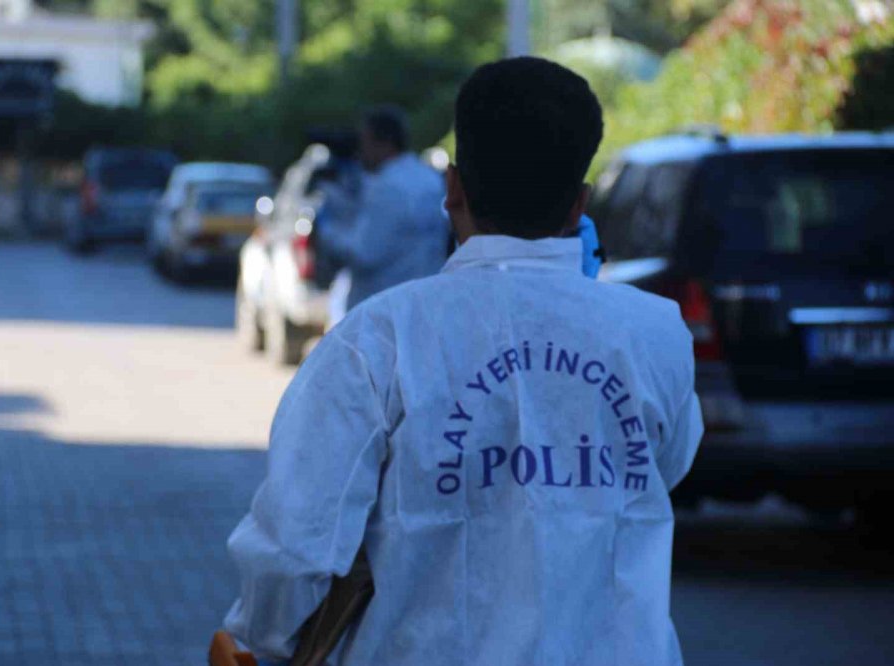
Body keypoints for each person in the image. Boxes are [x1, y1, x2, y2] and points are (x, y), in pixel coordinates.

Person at [223, 57, 704, 665]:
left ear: (453, 189)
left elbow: (296, 551)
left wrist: (259, 642)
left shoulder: (375, 341)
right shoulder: (656, 333)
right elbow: (666, 467)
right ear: (580, 203)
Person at [314, 106, 448, 312]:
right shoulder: (429, 178)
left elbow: (365, 253)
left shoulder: (386, 186)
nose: (360, 151)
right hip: (424, 302)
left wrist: (327, 230)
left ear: (384, 144)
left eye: (364, 142)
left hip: (383, 308)